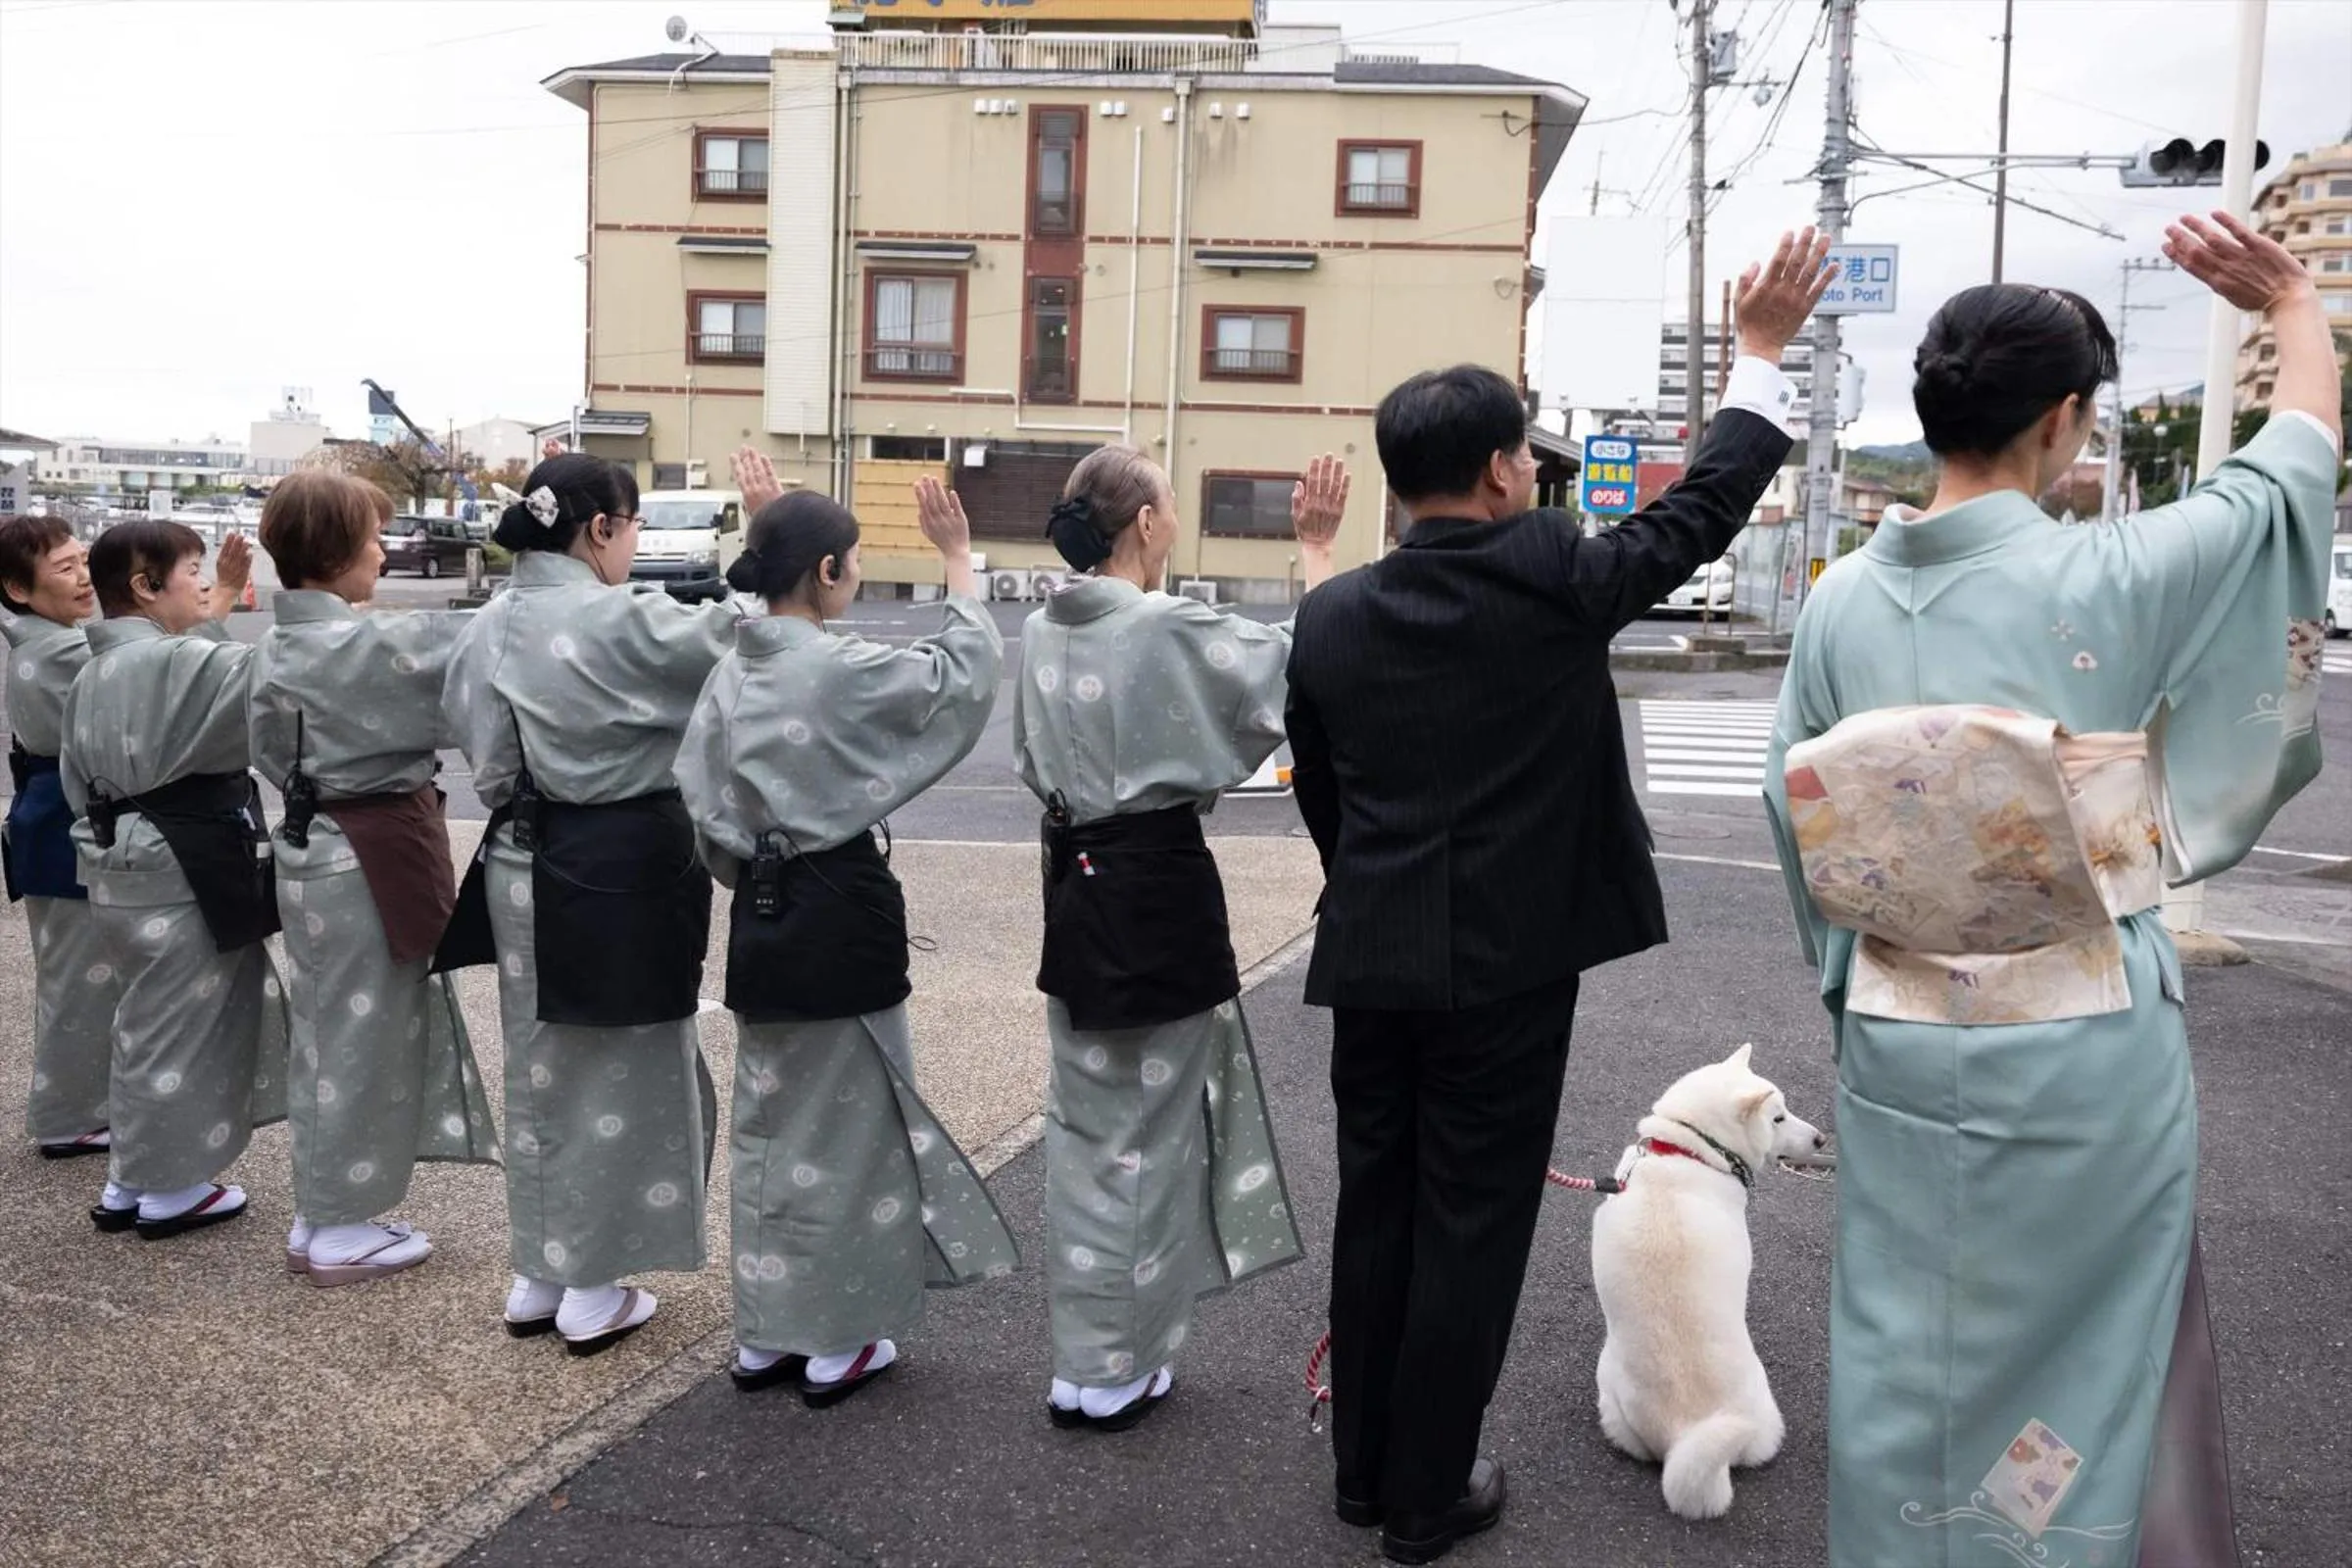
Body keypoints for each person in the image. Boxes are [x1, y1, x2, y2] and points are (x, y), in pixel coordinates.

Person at [1762, 213, 2339, 1568]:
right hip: (2083, 1046)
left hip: (1904, 1035)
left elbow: (1795, 823)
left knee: (1912, 1343)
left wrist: (1858, 980)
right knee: (2087, 1338)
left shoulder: (1839, 602)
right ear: (2065, 421)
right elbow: (2286, 480)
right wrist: (2296, 307)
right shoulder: (2109, 572)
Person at [1284, 229, 1834, 1564]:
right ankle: (1422, 1496)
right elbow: (1699, 512)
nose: (1537, 472)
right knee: (1470, 1223)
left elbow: (1323, 792)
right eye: (1528, 454)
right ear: (1495, 470)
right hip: (1506, 969)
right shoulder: (1554, 576)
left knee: (1381, 1206)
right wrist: (1756, 355)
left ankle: (1366, 1473)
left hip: (1372, 953)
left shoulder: (1336, 612)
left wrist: (1369, 887)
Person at [1015, 444, 1348, 1431]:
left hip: (1072, 885)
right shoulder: (1161, 626)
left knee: (1085, 1128)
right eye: (1167, 501)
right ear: (1149, 523)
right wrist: (1318, 550)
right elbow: (1302, 668)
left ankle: (1082, 1355)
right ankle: (1119, 1362)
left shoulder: (1040, 626)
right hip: (1155, 886)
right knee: (1153, 1131)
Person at [674, 482, 1019, 1406]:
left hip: (761, 910)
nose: (857, 576)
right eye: (854, 562)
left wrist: (751, 864)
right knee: (857, 1125)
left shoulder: (729, 671)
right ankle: (839, 1337)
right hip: (840, 903)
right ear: (826, 571)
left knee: (771, 1123)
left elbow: (699, 800)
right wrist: (956, 558)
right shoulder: (839, 665)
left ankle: (768, 1332)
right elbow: (959, 678)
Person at [441, 452, 746, 1353]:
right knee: (621, 1065)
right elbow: (745, 650)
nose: (635, 539)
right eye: (633, 523)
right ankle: (590, 1283)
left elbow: (487, 760)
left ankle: (540, 1270)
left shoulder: (486, 627)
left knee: (539, 1062)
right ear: (602, 529)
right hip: (623, 857)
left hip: (522, 854)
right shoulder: (627, 621)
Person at [251, 471, 500, 1287]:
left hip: (310, 840)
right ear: (334, 550)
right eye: (369, 535)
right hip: (367, 849)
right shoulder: (367, 643)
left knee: (333, 1031)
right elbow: (493, 651)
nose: (379, 549)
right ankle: (334, 1224)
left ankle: (324, 1212)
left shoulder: (275, 643)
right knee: (360, 1037)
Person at [60, 520, 289, 1238]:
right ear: (144, 585)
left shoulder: (94, 669)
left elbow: (74, 778)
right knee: (187, 1025)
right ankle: (171, 1188)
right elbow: (264, 694)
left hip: (115, 855)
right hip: (180, 857)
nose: (203, 583)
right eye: (192, 570)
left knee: (144, 1021)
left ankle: (131, 1175)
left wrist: (217, 600)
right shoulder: (176, 661)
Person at [3, 514, 122, 1160]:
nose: (84, 578)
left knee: (76, 975)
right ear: (18, 589)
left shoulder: (45, 640)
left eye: (83, 561)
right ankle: (67, 1116)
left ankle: (80, 1106)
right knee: (80, 979)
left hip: (47, 821)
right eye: (65, 567)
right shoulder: (59, 649)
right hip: (61, 825)